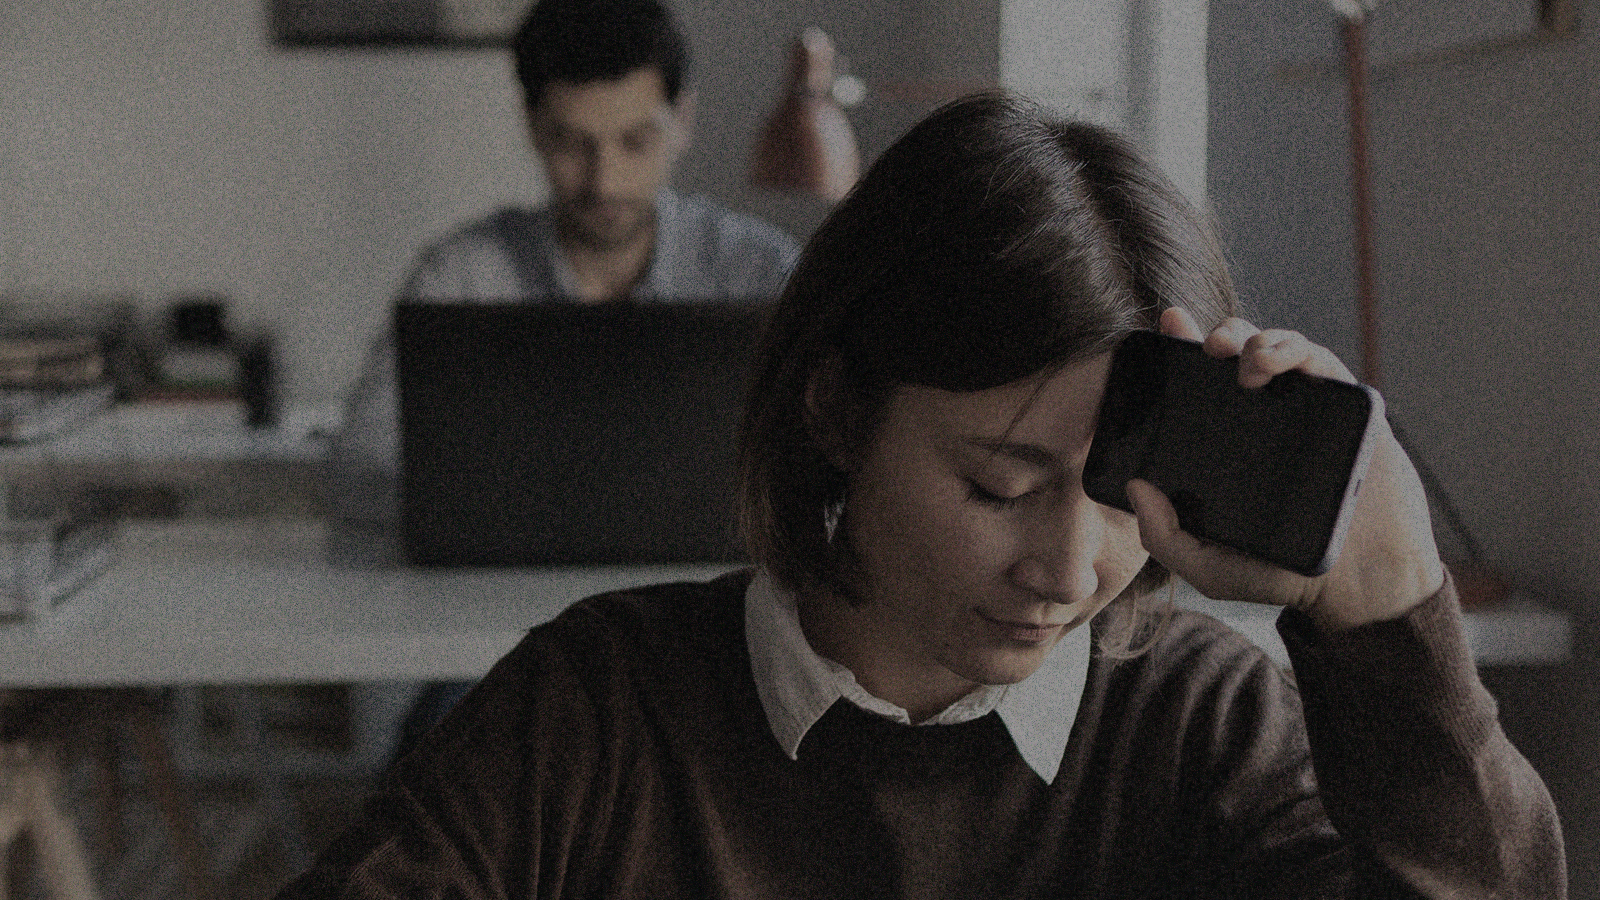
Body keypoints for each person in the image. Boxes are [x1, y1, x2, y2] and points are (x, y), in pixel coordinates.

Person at [280, 93, 1564, 898]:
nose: (1067, 569)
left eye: (1120, 494)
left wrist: (1386, 601)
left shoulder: (1202, 731)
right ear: (837, 412)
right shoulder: (602, 709)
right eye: (997, 486)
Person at [326, 0, 800, 532]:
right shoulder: (460, 277)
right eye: (572, 144)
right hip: (492, 596)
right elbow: (356, 469)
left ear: (682, 121)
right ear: (533, 127)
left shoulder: (763, 271)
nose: (605, 180)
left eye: (634, 141)